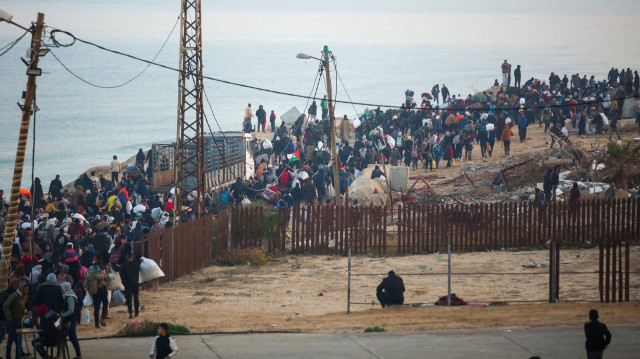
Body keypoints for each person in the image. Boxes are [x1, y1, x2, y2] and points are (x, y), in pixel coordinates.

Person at [3, 281, 29, 359]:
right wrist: (9, 316)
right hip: (12, 322)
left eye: (27, 289)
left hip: (19, 321)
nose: (26, 291)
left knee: (19, 342)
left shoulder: (24, 297)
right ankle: (8, 356)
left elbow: (22, 307)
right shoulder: (14, 296)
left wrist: (25, 311)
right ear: (21, 289)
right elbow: (5, 305)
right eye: (25, 289)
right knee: (10, 341)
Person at [60, 282, 82, 358]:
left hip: (70, 320)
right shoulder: (67, 296)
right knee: (72, 338)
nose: (62, 290)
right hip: (70, 320)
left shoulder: (70, 297)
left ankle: (59, 355)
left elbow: (71, 310)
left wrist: (62, 315)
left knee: (63, 337)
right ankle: (78, 355)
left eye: (62, 289)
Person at [120, 253, 141, 319]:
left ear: (127, 257)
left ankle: (130, 313)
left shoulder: (124, 265)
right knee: (136, 297)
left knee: (129, 298)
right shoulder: (136, 264)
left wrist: (123, 282)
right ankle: (136, 312)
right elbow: (139, 271)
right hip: (135, 282)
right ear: (132, 257)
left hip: (127, 283)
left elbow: (121, 274)